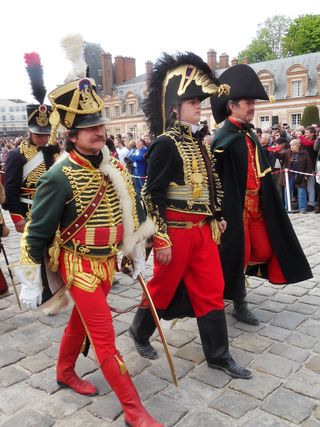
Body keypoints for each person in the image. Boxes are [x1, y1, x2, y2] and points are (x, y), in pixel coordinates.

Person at [15, 74, 161, 427]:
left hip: (107, 262)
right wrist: (32, 280)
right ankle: (133, 410)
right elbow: (37, 232)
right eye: (90, 127)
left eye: (100, 125)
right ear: (73, 135)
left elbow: (132, 209)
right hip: (76, 264)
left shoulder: (114, 167)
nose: (99, 131)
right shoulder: (58, 176)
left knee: (79, 324)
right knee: (105, 338)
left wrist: (137, 249)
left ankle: (64, 371)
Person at [129, 52, 252, 380]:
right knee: (162, 288)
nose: (199, 106)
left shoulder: (199, 143)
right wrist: (162, 236)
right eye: (192, 101)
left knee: (212, 288)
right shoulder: (165, 145)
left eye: (199, 101)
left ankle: (218, 355)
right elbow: (150, 194)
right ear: (174, 107)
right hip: (176, 232)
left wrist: (216, 215)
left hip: (203, 233)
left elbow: (210, 187)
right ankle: (139, 332)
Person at [210, 64, 313, 325]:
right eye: (248, 102)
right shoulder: (222, 138)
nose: (252, 107)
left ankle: (230, 286)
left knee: (265, 250)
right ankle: (238, 301)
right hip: (236, 210)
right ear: (232, 105)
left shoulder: (249, 134)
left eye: (253, 102)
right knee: (238, 255)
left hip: (258, 206)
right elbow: (214, 181)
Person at [3, 52, 62, 308]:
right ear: (30, 131)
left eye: (46, 133)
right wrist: (17, 217)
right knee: (34, 251)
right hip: (29, 211)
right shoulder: (17, 156)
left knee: (56, 250)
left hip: (54, 210)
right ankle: (37, 290)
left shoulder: (55, 152)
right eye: (39, 134)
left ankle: (56, 288)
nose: (43, 138)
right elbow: (11, 189)